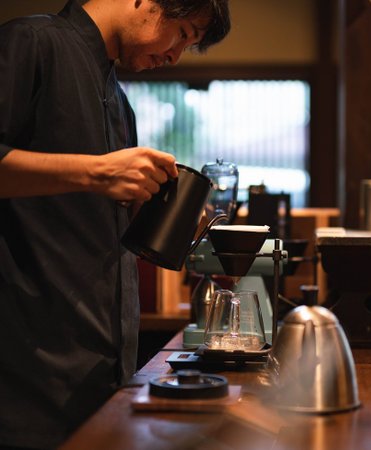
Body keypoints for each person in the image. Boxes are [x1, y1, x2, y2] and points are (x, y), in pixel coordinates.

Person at [0, 0, 230, 447]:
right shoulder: (33, 42)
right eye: (182, 33)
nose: (175, 56)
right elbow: (88, 175)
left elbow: (86, 213)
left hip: (103, 366)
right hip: (28, 370)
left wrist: (157, 207)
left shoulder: (119, 101)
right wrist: (97, 171)